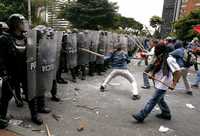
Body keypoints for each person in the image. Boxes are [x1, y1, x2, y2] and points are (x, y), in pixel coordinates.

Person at [0, 14, 42, 128]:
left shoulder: (27, 38)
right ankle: (1, 117)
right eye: (22, 22)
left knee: (31, 94)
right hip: (10, 73)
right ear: (15, 24)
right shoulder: (4, 38)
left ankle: (34, 115)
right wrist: (3, 72)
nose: (25, 24)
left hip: (26, 72)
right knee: (5, 97)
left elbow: (33, 53)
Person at [132, 43, 180, 122]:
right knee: (160, 99)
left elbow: (178, 71)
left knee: (154, 99)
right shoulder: (160, 56)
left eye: (157, 49)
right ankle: (166, 113)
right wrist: (152, 75)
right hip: (160, 81)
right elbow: (158, 68)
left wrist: (174, 84)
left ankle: (142, 115)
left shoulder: (169, 59)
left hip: (165, 82)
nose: (155, 51)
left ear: (162, 50)